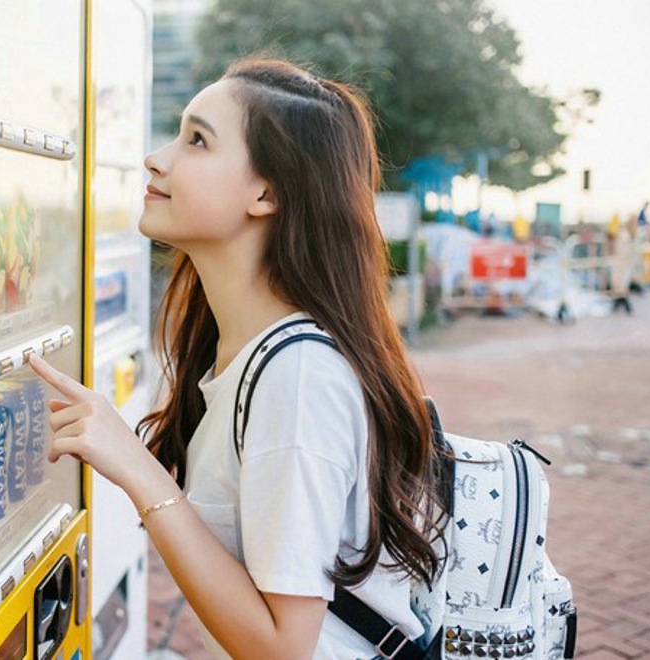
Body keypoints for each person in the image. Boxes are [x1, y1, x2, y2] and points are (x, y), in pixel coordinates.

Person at [29, 58, 443, 659]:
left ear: (266, 193)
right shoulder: (240, 350)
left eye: (197, 140)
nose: (158, 158)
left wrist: (137, 469)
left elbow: (283, 649)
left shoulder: (298, 376)